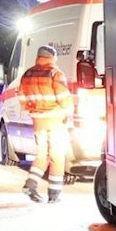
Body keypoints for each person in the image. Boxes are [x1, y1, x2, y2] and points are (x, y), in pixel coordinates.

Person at [16, 45, 73, 203]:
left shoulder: (27, 74)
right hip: (55, 120)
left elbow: (22, 99)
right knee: (57, 155)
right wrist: (69, 113)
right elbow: (64, 97)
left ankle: (30, 185)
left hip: (38, 121)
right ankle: (54, 194)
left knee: (42, 154)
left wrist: (33, 111)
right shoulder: (55, 73)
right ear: (52, 57)